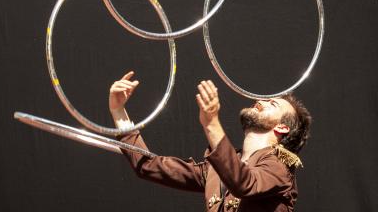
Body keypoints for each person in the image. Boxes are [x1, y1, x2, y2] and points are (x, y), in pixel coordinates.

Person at [109, 71, 312, 211]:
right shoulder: (216, 169)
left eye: (272, 103)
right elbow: (150, 166)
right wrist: (119, 112)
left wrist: (211, 123)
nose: (260, 101)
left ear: (282, 127)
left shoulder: (281, 167)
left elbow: (244, 183)